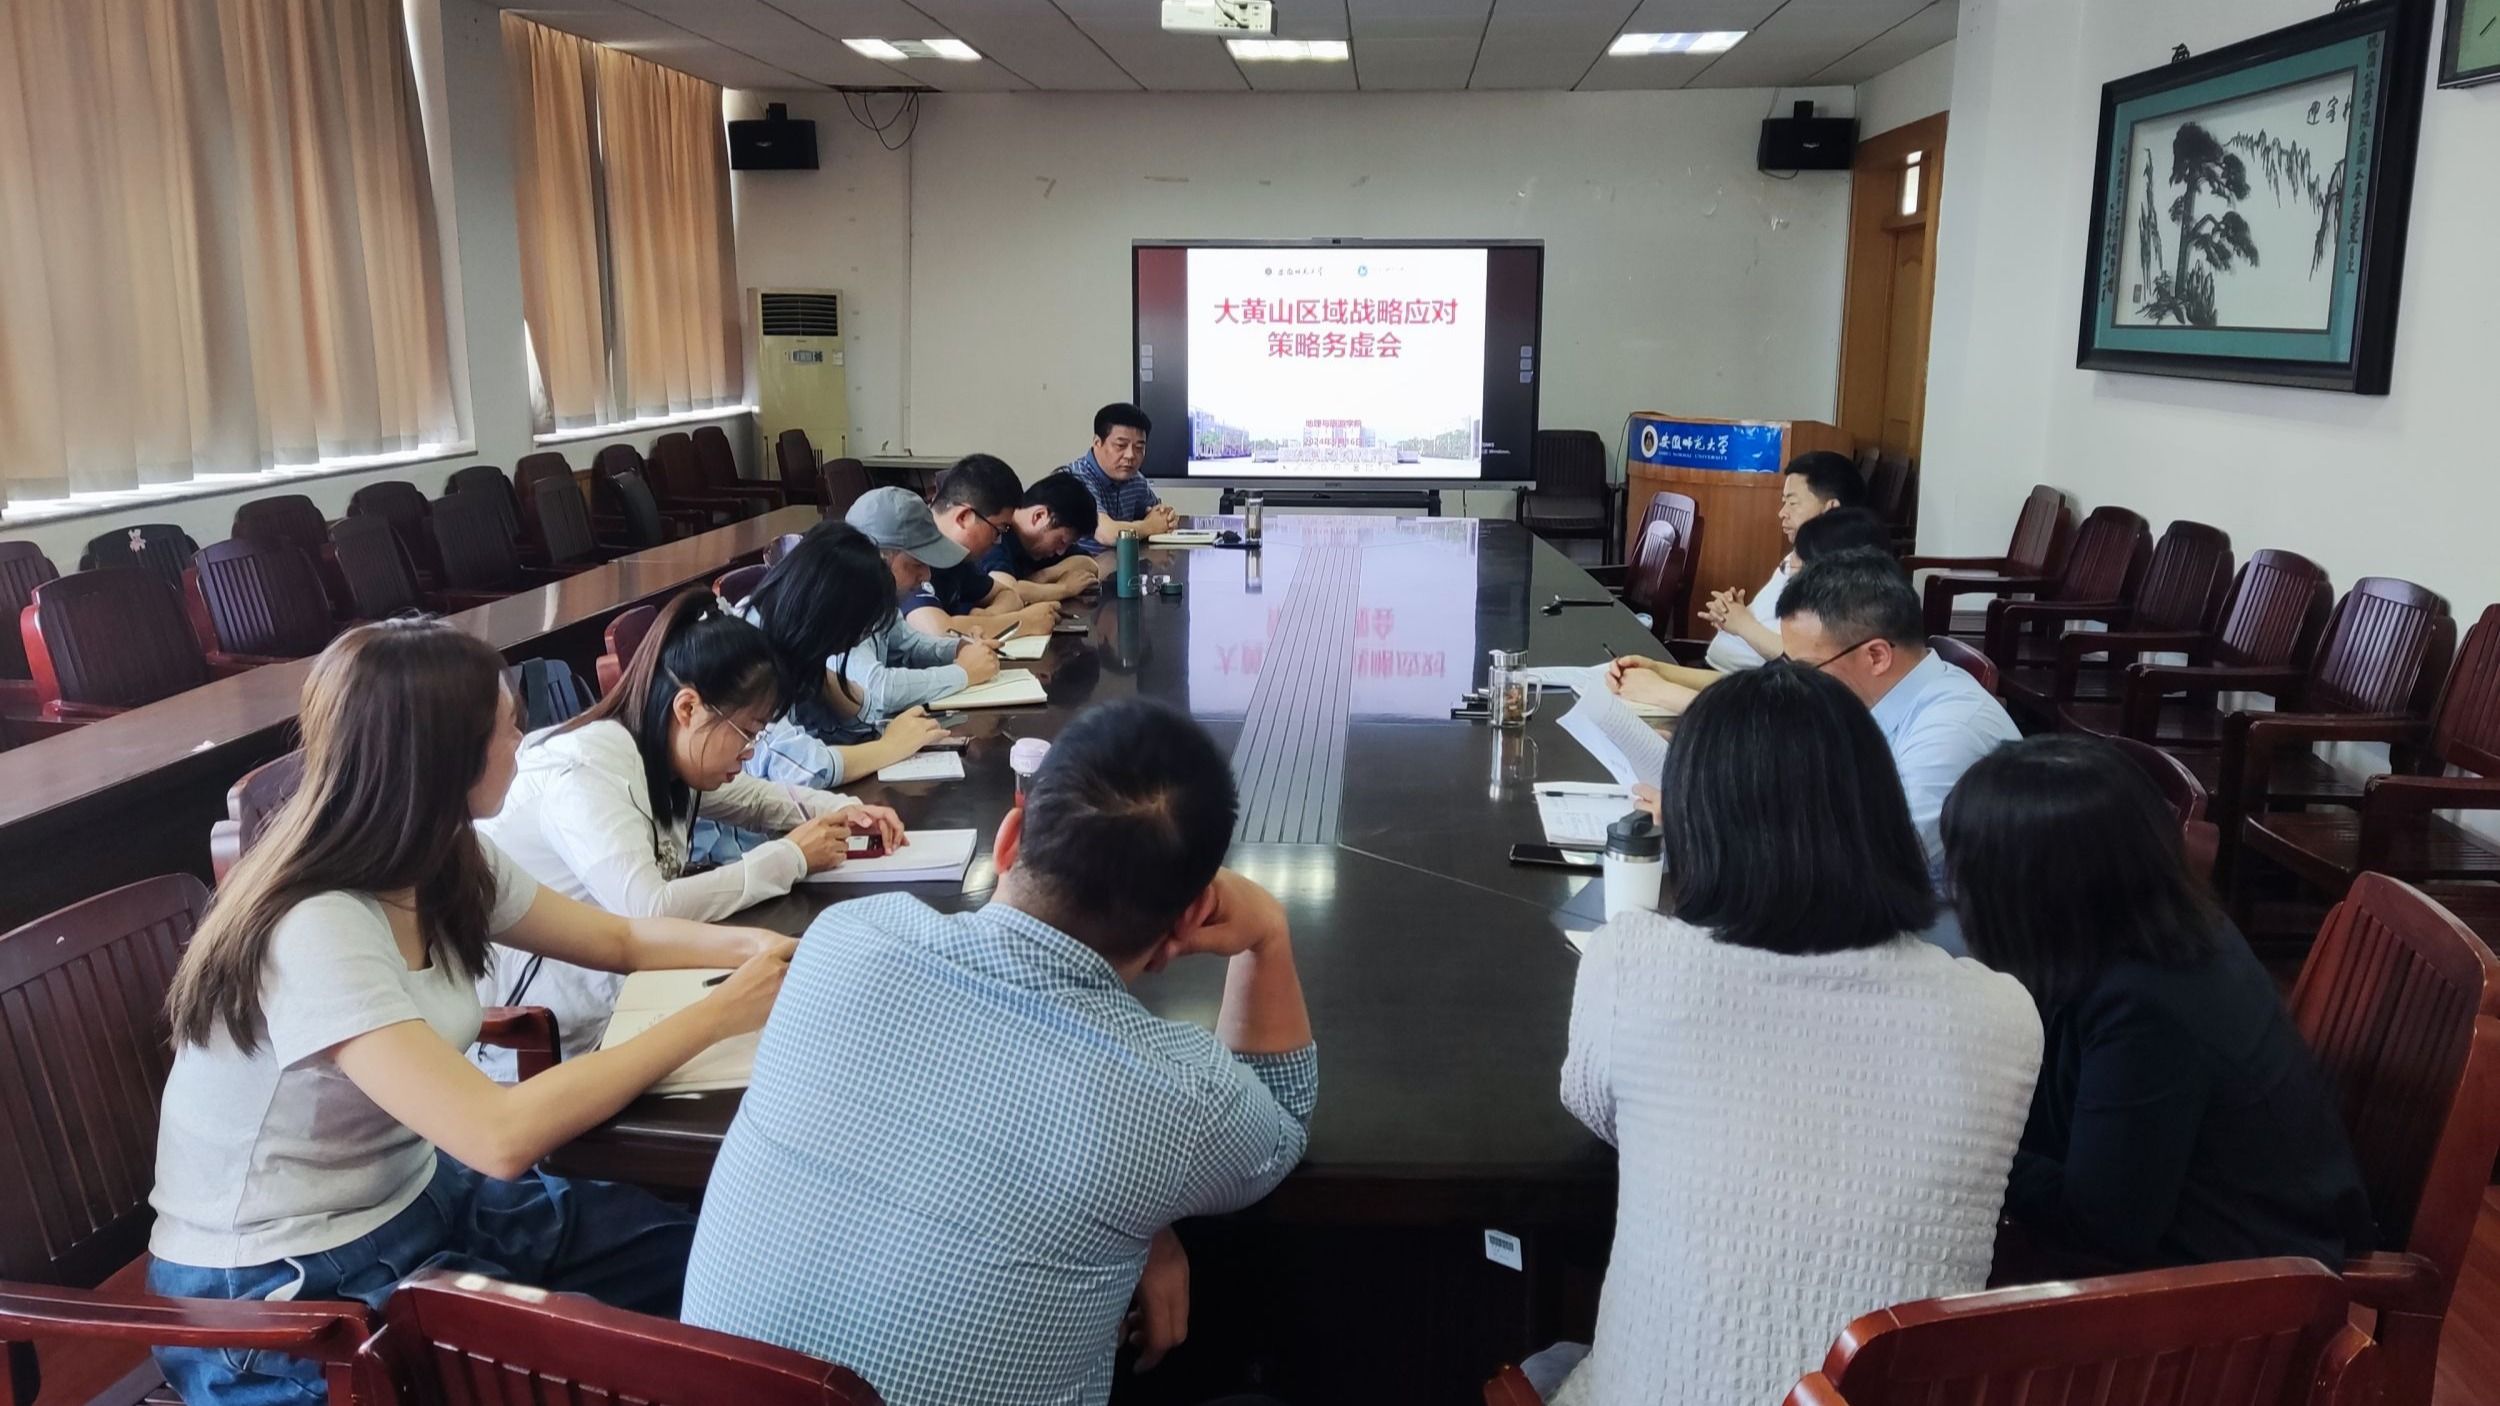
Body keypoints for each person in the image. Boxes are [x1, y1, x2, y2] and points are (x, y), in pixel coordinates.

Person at [146, 620, 794, 1406]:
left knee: (711, 1262)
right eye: (510, 728)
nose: (525, 742)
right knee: (615, 1367)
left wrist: (764, 949)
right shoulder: (315, 925)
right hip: (283, 1291)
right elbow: (498, 1136)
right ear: (446, 756)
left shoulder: (447, 855)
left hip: (423, 1196)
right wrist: (717, 1015)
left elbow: (619, 938)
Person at [683, 699, 1316, 1406]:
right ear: (1192, 915)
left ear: (1008, 840)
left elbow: (948, 1130)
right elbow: (1281, 1124)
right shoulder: (1174, 1099)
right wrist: (1267, 934)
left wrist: (1142, 1219)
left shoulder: (844, 938)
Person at [1521, 664, 2041, 1406]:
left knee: (1543, 1362)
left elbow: (1596, 1109)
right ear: (1878, 812)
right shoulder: (2003, 1012)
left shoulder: (1631, 959)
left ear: (1694, 819)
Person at [1943, 735, 2374, 1270]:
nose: (1955, 891)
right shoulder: (2152, 924)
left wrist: (1968, 1151)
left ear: (2032, 891)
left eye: (1967, 872)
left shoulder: (2146, 1005)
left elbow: (2102, 1224)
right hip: (2186, 1231)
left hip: (2234, 1280)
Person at [477, 590, 904, 1070]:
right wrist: (790, 857)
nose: (750, 752)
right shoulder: (586, 774)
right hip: (548, 1043)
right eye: (747, 733)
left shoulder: (657, 751)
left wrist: (847, 810)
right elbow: (648, 909)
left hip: (627, 999)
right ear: (688, 708)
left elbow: (754, 798)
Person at [1776, 545, 2020, 879]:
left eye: (1806, 668)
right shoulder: (1874, 699)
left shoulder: (1952, 732)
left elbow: (1874, 863)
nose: (1795, 682)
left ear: (1876, 656)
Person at [1605, 506, 1893, 716]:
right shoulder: (1817, 627)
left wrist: (1663, 693)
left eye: (1797, 569)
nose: (1789, 578)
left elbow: (1776, 725)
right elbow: (1757, 687)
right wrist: (1659, 670)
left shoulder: (1845, 646)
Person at [738, 520, 959, 771]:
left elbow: (861, 723)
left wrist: (822, 677)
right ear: (828, 612)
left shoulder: (793, 642)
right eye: (855, 630)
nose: (853, 642)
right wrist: (889, 747)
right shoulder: (750, 655)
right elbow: (796, 767)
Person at [841, 487, 1002, 721]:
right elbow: (876, 689)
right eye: (916, 564)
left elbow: (910, 645)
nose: (926, 576)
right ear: (876, 558)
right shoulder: (839, 604)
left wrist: (960, 648)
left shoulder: (880, 599)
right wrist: (964, 672)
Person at [1700, 450, 1869, 670]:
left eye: (1793, 503)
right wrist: (1730, 613)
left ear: (1831, 509)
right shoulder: (1796, 556)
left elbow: (1804, 661)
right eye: (1784, 502)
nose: (1782, 513)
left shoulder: (1840, 578)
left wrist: (1742, 624)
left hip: (1749, 685)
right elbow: (1759, 622)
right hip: (1717, 672)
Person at [904, 453, 1060, 642]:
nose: (998, 541)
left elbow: (1008, 594)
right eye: (998, 530)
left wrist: (989, 617)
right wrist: (1024, 622)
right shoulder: (910, 548)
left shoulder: (957, 557)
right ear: (964, 517)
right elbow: (937, 630)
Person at [1065, 401, 1177, 551]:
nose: (1130, 455)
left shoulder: (1135, 479)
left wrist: (1168, 518)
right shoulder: (1077, 478)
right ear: (1097, 443)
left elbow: (1159, 515)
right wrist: (1149, 526)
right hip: (1085, 564)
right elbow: (1107, 533)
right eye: (1121, 446)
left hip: (1122, 562)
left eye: (1139, 447)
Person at [980, 470, 1103, 604]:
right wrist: (1064, 588)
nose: (1061, 551)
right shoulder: (996, 535)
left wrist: (1043, 576)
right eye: (1062, 541)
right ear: (1039, 516)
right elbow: (1006, 591)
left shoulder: (1041, 544)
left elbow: (1089, 564)